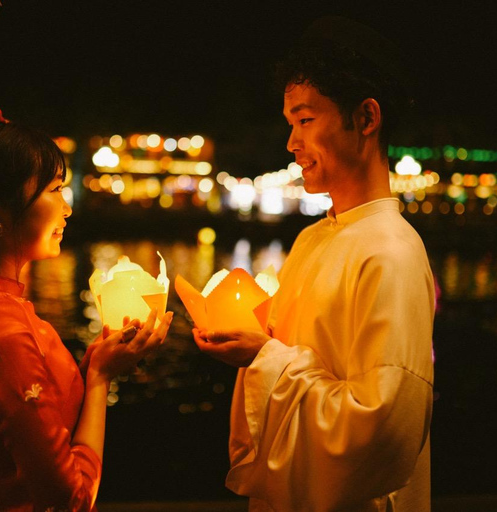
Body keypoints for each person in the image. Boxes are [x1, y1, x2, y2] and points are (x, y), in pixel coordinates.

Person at [193, 17, 434, 512]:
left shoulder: (391, 251)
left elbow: (383, 426)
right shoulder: (311, 239)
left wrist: (262, 358)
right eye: (290, 123)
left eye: (305, 121)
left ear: (366, 118)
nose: (291, 143)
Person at [0, 106, 173, 511]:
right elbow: (69, 499)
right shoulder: (3, 333)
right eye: (55, 190)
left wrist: (96, 361)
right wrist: (99, 380)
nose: (67, 209)